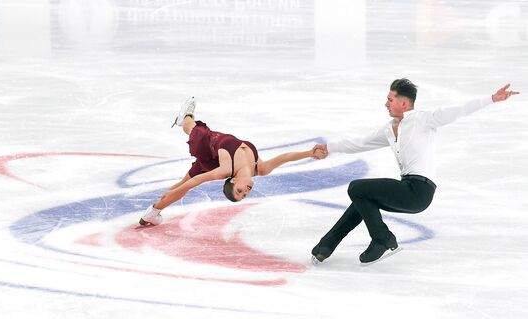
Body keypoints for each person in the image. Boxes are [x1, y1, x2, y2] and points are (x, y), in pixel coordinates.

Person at [310, 79, 520, 264]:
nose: (386, 104)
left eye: (390, 100)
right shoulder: (390, 129)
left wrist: (492, 98)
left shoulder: (424, 119)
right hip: (407, 188)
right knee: (362, 199)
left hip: (419, 191)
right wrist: (329, 147)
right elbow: (360, 143)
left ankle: (382, 238)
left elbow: (459, 110)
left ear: (403, 103)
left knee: (357, 188)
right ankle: (325, 246)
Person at [140, 97, 322, 226]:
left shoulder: (226, 170)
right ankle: (152, 213)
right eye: (244, 194)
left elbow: (196, 181)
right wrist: (309, 153)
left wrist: (177, 189)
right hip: (213, 157)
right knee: (182, 184)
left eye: (239, 191)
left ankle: (185, 116)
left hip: (207, 146)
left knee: (190, 127)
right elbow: (284, 158)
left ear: (233, 181)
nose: (246, 192)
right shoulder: (260, 168)